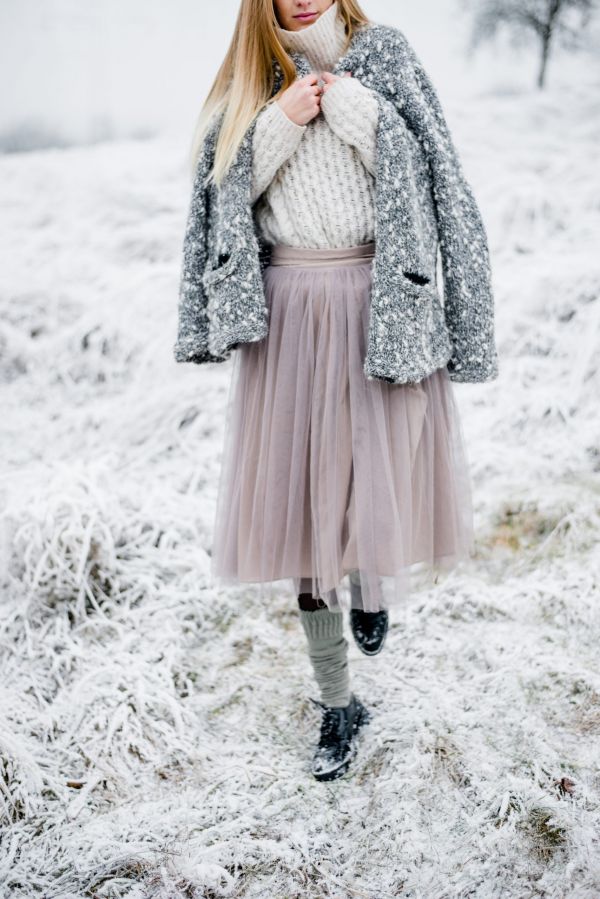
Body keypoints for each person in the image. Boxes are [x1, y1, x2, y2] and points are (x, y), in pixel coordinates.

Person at [174, 0, 498, 782]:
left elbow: (440, 182)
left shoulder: (385, 57)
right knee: (303, 510)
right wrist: (275, 128)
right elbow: (214, 206)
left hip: (381, 305)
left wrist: (369, 120)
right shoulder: (250, 81)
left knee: (372, 474)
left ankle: (368, 582)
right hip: (288, 319)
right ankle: (336, 701)